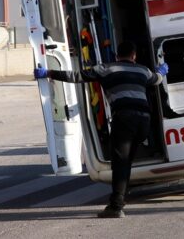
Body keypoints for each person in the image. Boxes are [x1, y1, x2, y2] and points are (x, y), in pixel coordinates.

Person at [34, 41, 168, 218]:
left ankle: (116, 206)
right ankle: (120, 199)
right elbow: (157, 79)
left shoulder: (107, 68)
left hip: (125, 118)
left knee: (121, 163)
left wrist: (49, 72)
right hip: (144, 121)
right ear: (134, 56)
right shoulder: (143, 70)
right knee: (125, 162)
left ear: (116, 55)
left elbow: (76, 76)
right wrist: (162, 69)